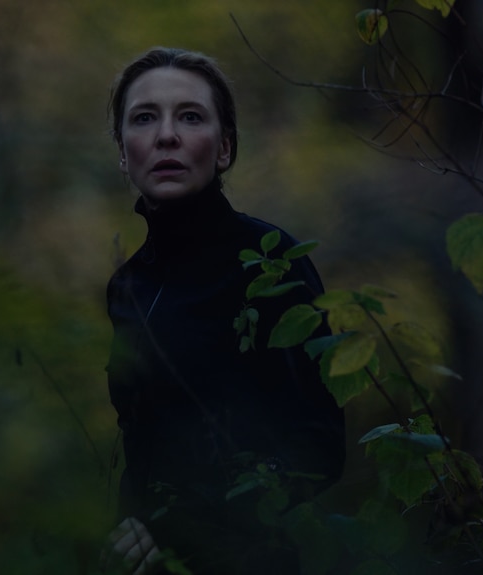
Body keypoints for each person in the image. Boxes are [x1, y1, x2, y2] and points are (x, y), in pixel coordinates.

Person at [101, 47, 345, 575]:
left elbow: (319, 443)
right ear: (124, 152)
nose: (167, 135)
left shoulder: (269, 261)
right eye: (145, 118)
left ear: (225, 148)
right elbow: (143, 448)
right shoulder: (128, 285)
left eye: (190, 116)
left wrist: (181, 525)